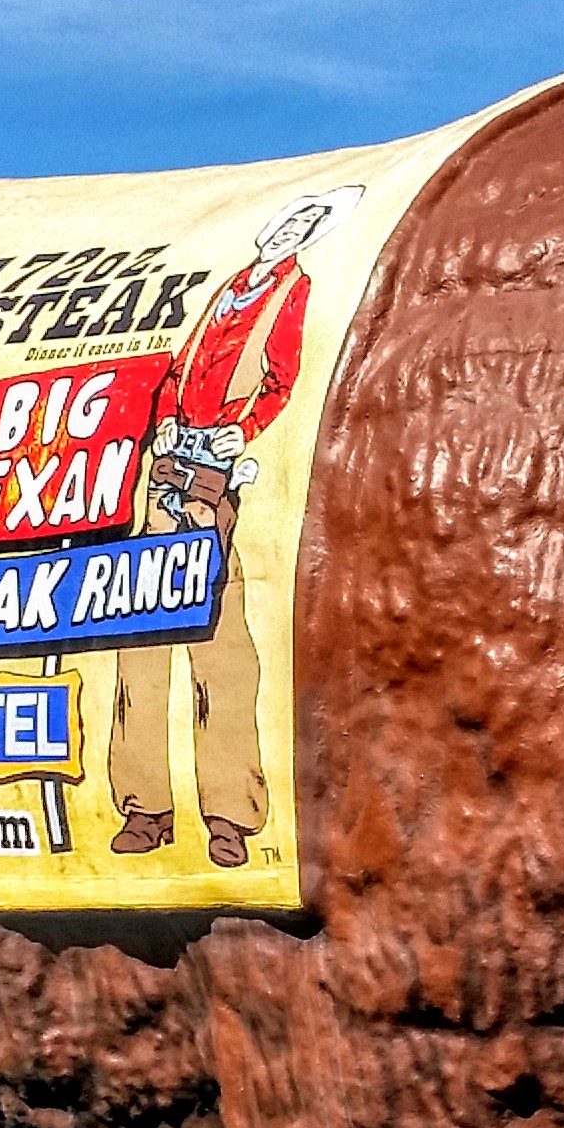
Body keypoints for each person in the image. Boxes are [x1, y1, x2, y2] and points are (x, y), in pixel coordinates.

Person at [106, 189, 346, 869]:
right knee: (140, 633)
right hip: (170, 464)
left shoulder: (290, 291)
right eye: (289, 221)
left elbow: (282, 379)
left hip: (217, 473)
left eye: (305, 225)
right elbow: (180, 368)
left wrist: (241, 430)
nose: (290, 231)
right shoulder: (229, 288)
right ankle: (144, 807)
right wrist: (166, 420)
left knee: (220, 645)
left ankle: (230, 816)